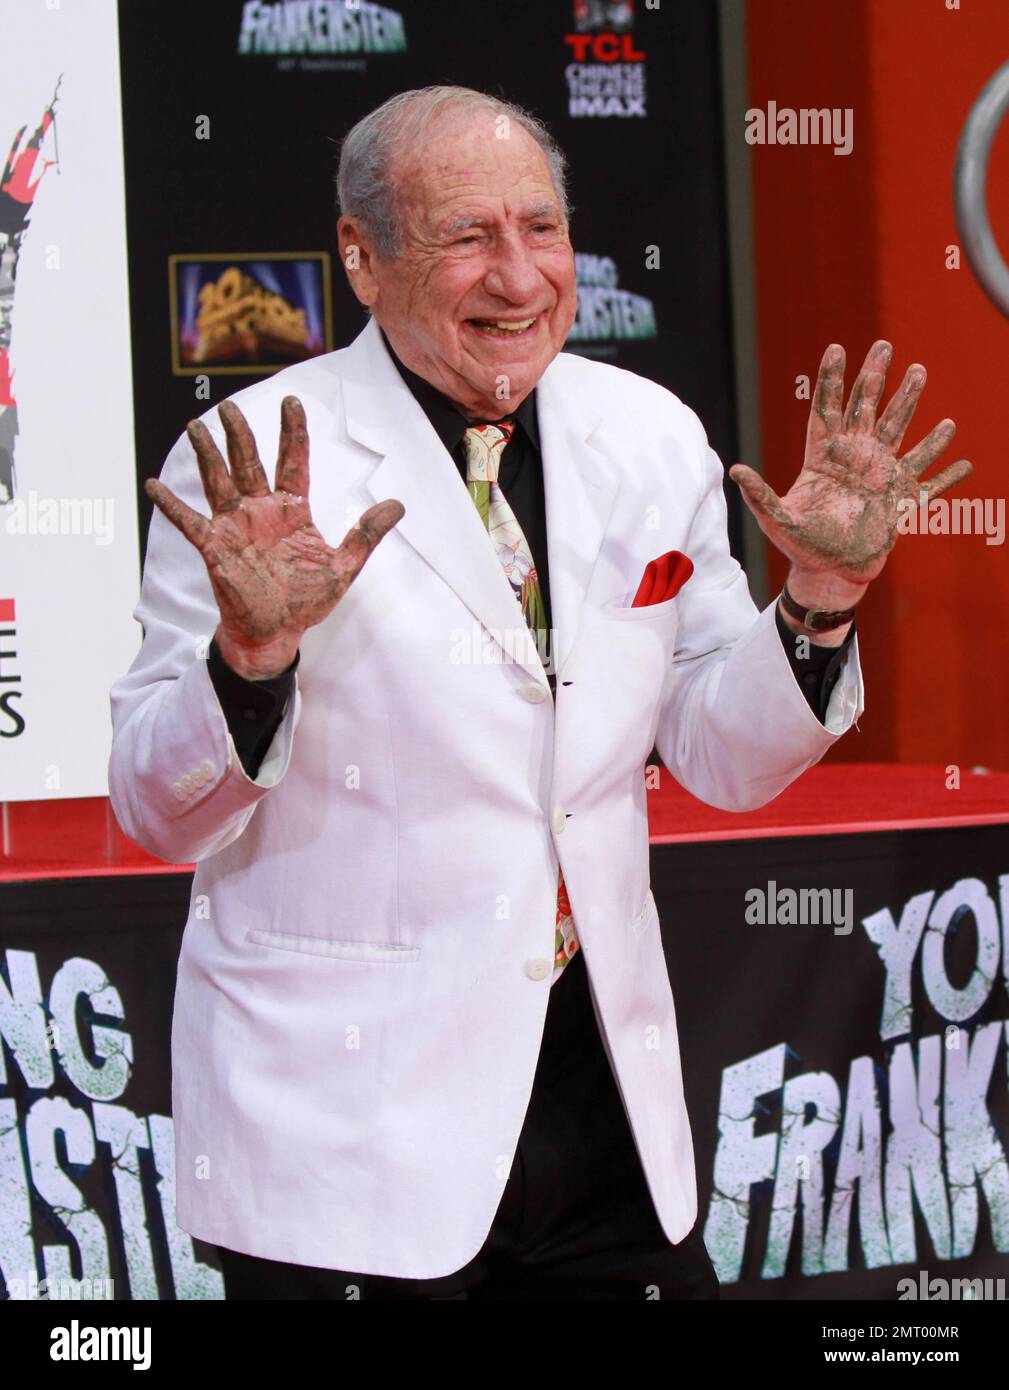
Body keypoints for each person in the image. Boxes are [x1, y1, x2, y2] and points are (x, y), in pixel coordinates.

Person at [108, 85, 971, 1300]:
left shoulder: (651, 434)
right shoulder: (251, 460)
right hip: (345, 1139)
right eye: (467, 236)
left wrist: (820, 601)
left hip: (603, 1117)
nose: (520, 278)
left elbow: (719, 753)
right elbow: (158, 809)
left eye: (542, 229)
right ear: (362, 256)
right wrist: (248, 664)